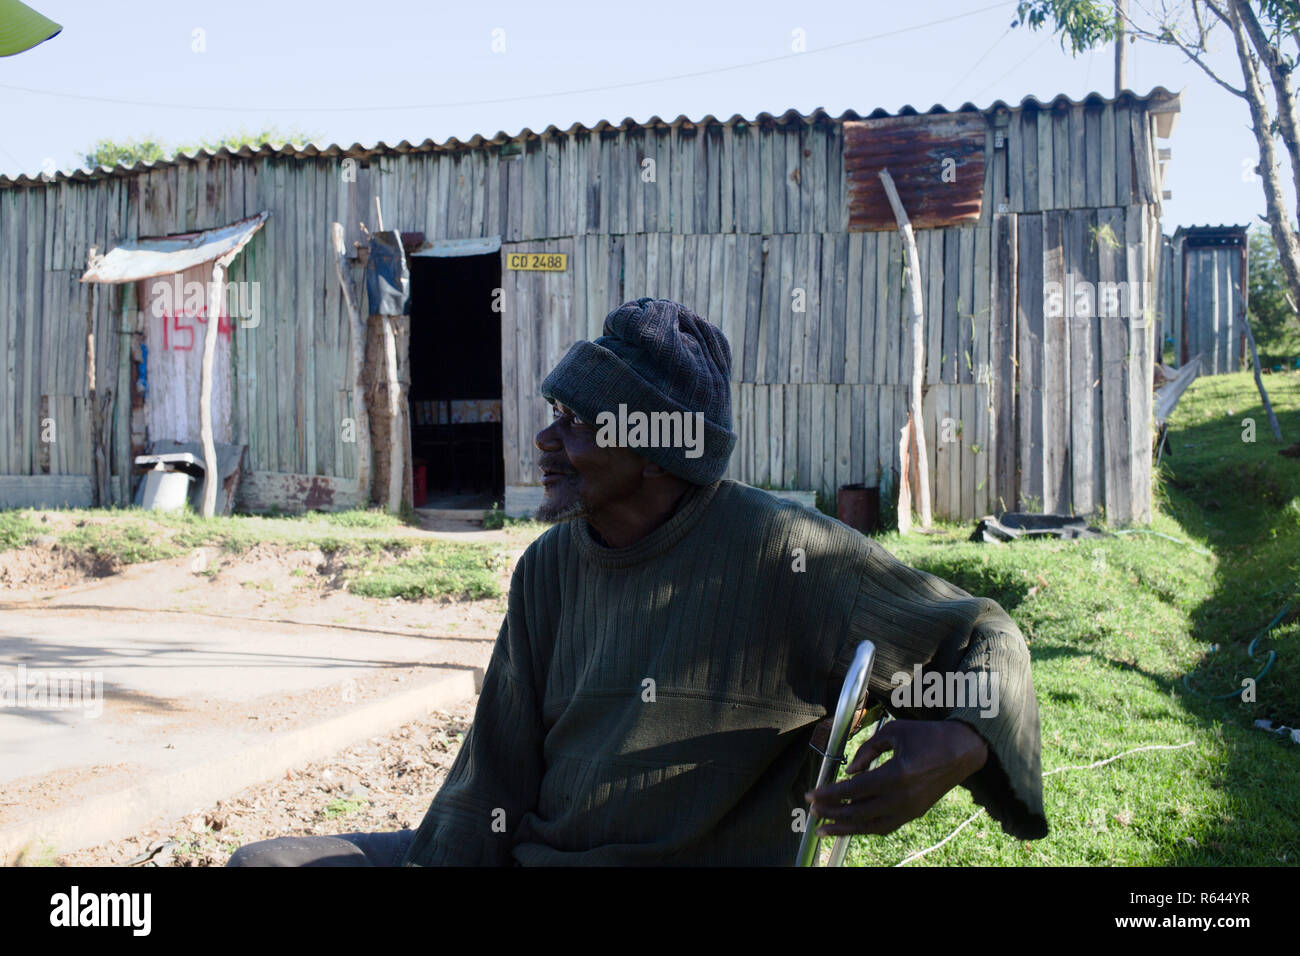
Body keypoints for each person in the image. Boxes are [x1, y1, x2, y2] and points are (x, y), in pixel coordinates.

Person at [228, 297, 1046, 867]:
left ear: (657, 446)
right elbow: (493, 778)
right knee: (266, 864)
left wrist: (960, 740)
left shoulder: (788, 555)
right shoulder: (549, 566)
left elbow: (986, 634)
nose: (547, 439)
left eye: (577, 422)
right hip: (529, 852)